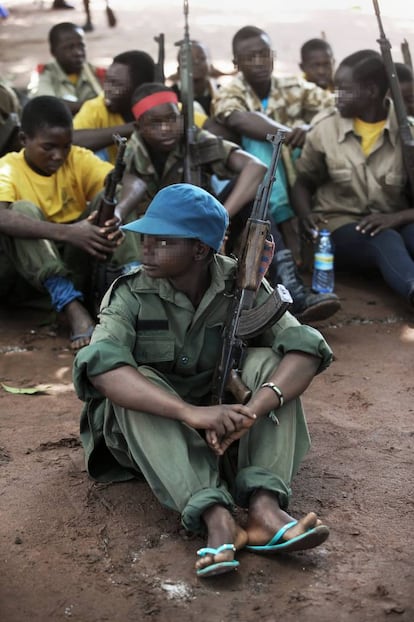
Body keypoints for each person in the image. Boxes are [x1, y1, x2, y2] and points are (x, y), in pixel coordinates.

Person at [73, 182, 332, 579]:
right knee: (137, 382)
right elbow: (104, 370)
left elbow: (305, 347)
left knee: (267, 361)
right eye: (145, 238)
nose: (145, 249)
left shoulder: (241, 287)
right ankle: (215, 515)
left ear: (199, 248)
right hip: (154, 438)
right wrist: (191, 413)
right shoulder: (129, 293)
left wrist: (253, 409)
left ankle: (264, 507)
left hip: (228, 432)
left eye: (162, 241)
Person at [125, 81, 339, 322]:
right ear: (138, 126)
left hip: (205, 233)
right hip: (160, 242)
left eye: (172, 119)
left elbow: (255, 168)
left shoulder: (194, 139)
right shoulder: (130, 154)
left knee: (256, 207)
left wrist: (221, 216)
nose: (166, 128)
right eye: (155, 123)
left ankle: (293, 291)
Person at [211, 27, 340, 321]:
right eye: (249, 57)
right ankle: (292, 283)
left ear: (273, 57)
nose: (258, 61)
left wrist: (309, 126)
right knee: (263, 140)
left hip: (291, 179)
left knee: (278, 143)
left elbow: (336, 102)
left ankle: (289, 267)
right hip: (245, 183)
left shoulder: (292, 87)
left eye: (263, 54)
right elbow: (237, 117)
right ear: (236, 64)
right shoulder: (231, 90)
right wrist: (285, 132)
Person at [0, 96, 144, 350]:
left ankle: (133, 295)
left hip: (81, 263)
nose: (59, 155)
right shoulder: (8, 167)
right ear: (24, 140)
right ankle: (71, 306)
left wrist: (118, 213)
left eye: (65, 146)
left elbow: (135, 184)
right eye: (48, 147)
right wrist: (68, 233)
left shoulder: (77, 158)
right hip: (33, 275)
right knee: (21, 211)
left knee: (108, 197)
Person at [291, 50, 414, 309]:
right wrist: (305, 215)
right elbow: (303, 182)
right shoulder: (325, 128)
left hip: (392, 220)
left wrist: (396, 217)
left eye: (345, 90)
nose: (337, 97)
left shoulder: (408, 133)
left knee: (407, 234)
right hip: (341, 226)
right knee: (386, 239)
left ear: (371, 91)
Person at [72, 50, 155, 164]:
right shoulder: (97, 106)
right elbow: (72, 141)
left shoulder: (162, 109)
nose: (107, 89)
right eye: (107, 81)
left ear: (140, 89)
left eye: (117, 84)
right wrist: (134, 127)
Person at [27, 22, 105, 115]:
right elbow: (47, 105)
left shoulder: (94, 72)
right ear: (53, 52)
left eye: (81, 46)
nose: (78, 53)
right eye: (69, 47)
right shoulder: (45, 74)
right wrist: (96, 105)